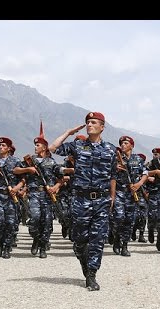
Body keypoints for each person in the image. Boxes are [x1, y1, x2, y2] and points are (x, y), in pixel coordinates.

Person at [49, 111, 117, 291]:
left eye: (94, 122)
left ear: (102, 127)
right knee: (80, 240)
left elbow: (113, 176)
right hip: (81, 199)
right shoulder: (77, 146)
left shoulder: (110, 149)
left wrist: (112, 197)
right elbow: (52, 149)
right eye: (87, 122)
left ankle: (92, 274)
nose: (89, 125)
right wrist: (68, 132)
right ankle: (83, 260)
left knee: (98, 239)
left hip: (102, 199)